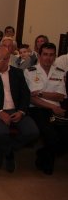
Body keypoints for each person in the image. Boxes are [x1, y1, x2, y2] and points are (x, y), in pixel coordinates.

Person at [0, 47, 39, 173]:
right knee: (1, 133)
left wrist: (21, 111)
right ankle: (9, 155)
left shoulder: (17, 73)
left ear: (7, 60)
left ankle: (6, 149)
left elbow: (25, 94)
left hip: (16, 110)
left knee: (32, 132)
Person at [24, 43, 67, 175]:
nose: (48, 58)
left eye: (51, 55)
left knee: (65, 136)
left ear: (55, 56)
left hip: (57, 110)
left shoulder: (60, 72)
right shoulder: (30, 71)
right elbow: (31, 98)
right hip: (37, 109)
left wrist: (41, 93)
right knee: (51, 136)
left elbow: (60, 96)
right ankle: (46, 162)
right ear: (40, 55)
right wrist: (52, 105)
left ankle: (42, 153)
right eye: (45, 54)